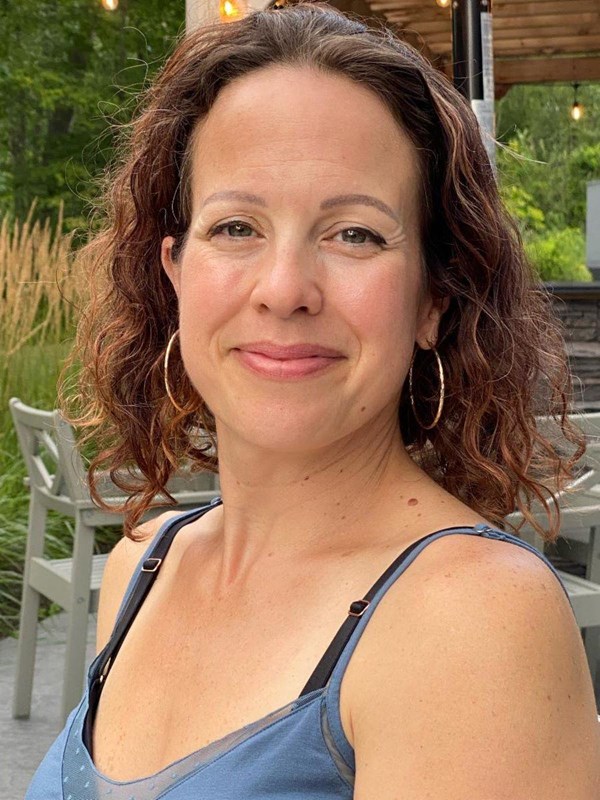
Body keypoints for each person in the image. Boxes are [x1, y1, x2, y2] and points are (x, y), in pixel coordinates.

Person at [26, 3, 600, 798]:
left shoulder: (469, 620)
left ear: (434, 295)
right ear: (174, 272)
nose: (286, 288)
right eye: (235, 228)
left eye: (355, 235)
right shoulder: (144, 567)